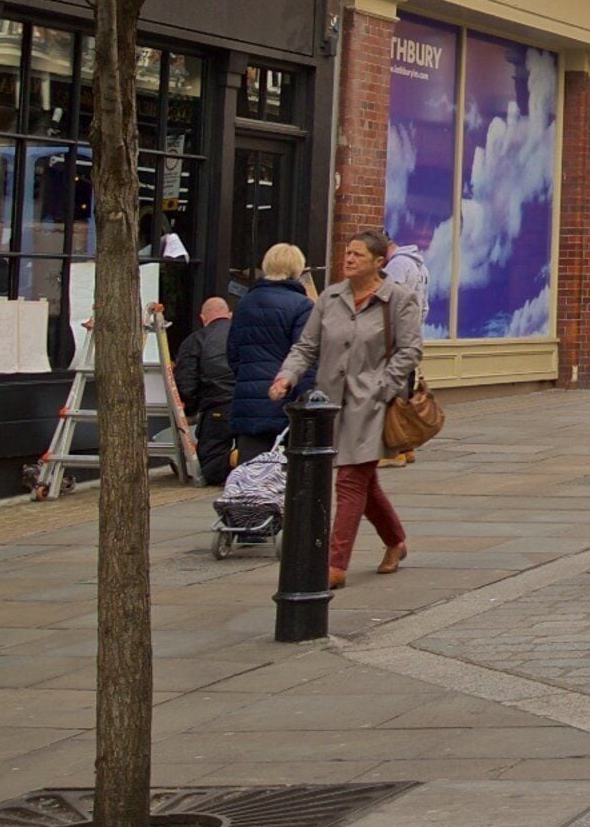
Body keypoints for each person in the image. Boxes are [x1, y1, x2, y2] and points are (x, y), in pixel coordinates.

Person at [271, 231, 423, 584]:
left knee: (351, 480)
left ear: (378, 262)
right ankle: (396, 541)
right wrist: (286, 377)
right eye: (347, 253)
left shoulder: (398, 299)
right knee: (364, 484)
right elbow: (307, 346)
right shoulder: (330, 297)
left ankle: (335, 564)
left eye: (357, 254)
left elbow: (410, 350)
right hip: (330, 405)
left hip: (372, 405)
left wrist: (382, 385)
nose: (349, 259)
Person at [224, 245, 314, 466]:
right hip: (287, 397)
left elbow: (233, 353)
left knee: (252, 471)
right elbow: (306, 354)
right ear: (297, 269)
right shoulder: (302, 306)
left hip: (249, 398)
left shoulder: (245, 303)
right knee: (295, 473)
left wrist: (247, 377)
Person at [171, 295, 238, 484]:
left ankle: (234, 469)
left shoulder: (195, 341)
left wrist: (191, 408)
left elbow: (186, 382)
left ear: (203, 318)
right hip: (247, 403)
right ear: (230, 315)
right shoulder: (245, 336)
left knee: (212, 465)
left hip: (216, 407)